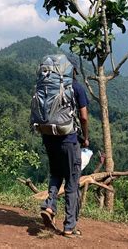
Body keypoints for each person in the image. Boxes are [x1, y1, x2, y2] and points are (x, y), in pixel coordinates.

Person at [40, 65, 89, 238]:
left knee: (55, 174)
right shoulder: (76, 87)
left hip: (49, 138)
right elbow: (83, 117)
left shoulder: (47, 86)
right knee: (72, 182)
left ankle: (49, 206)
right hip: (68, 140)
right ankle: (69, 227)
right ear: (73, 71)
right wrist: (86, 137)